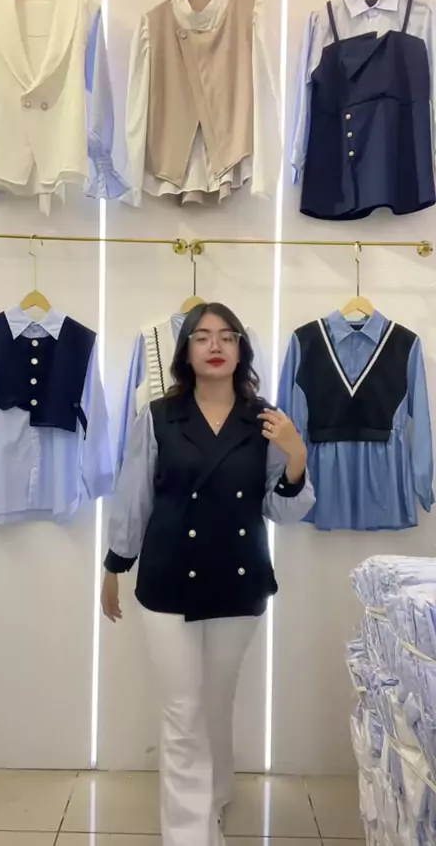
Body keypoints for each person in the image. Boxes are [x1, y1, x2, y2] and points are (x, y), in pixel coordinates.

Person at [101, 302, 315, 846]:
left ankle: (215, 795)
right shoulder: (158, 416)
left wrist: (295, 456)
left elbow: (282, 510)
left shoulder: (264, 419)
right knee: (183, 711)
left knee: (217, 701)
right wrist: (114, 566)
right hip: (167, 578)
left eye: (226, 336)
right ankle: (189, 834)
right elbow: (133, 497)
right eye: (202, 337)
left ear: (241, 349)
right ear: (186, 351)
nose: (215, 345)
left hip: (239, 581)